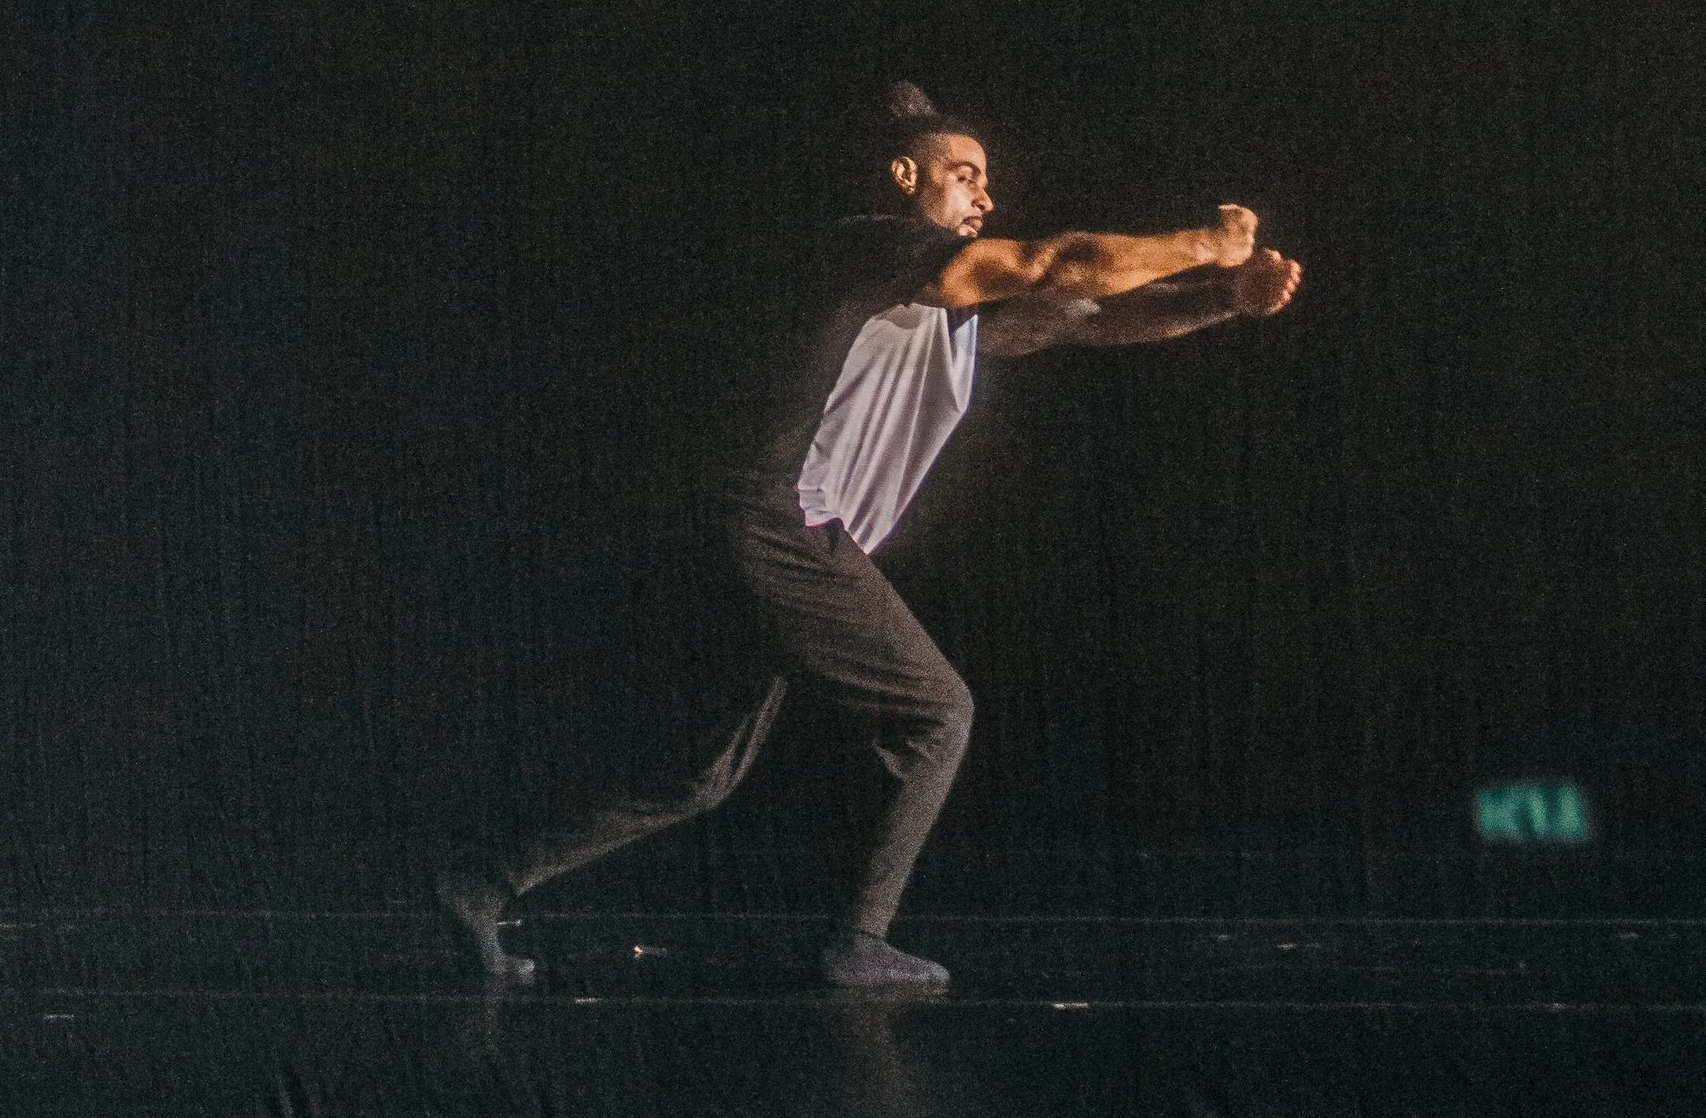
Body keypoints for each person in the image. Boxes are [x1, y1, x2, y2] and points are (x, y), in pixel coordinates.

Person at [435, 83, 1302, 994]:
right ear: (904, 177)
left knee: (701, 775)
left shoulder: (946, 300)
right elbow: (1054, 264)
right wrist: (1206, 243)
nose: (984, 196)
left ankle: (479, 884)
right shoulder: (870, 245)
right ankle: (857, 938)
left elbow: (1082, 315)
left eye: (986, 182)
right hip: (777, 524)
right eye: (964, 175)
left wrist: (1221, 302)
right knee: (939, 713)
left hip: (774, 533)